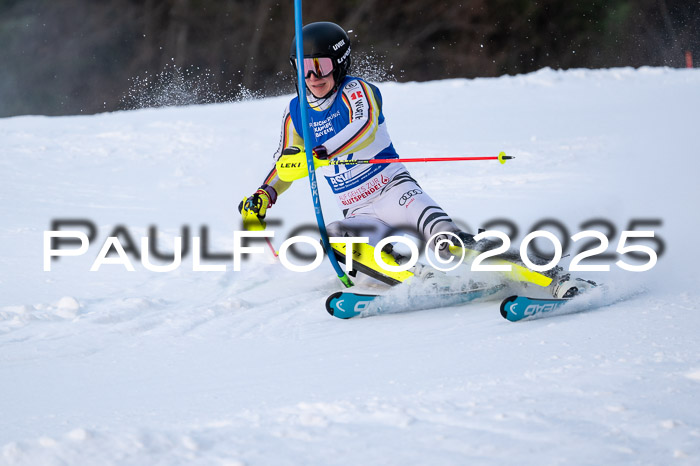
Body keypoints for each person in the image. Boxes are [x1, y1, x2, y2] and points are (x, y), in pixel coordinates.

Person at [239, 21, 590, 298]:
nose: (313, 77)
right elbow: (285, 162)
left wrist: (320, 154)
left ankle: (548, 275)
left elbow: (362, 127)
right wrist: (264, 195)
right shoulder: (296, 112)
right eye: (305, 69)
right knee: (333, 240)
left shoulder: (357, 92)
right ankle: (414, 278)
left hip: (395, 193)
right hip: (358, 211)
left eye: (322, 66)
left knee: (447, 243)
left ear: (341, 64)